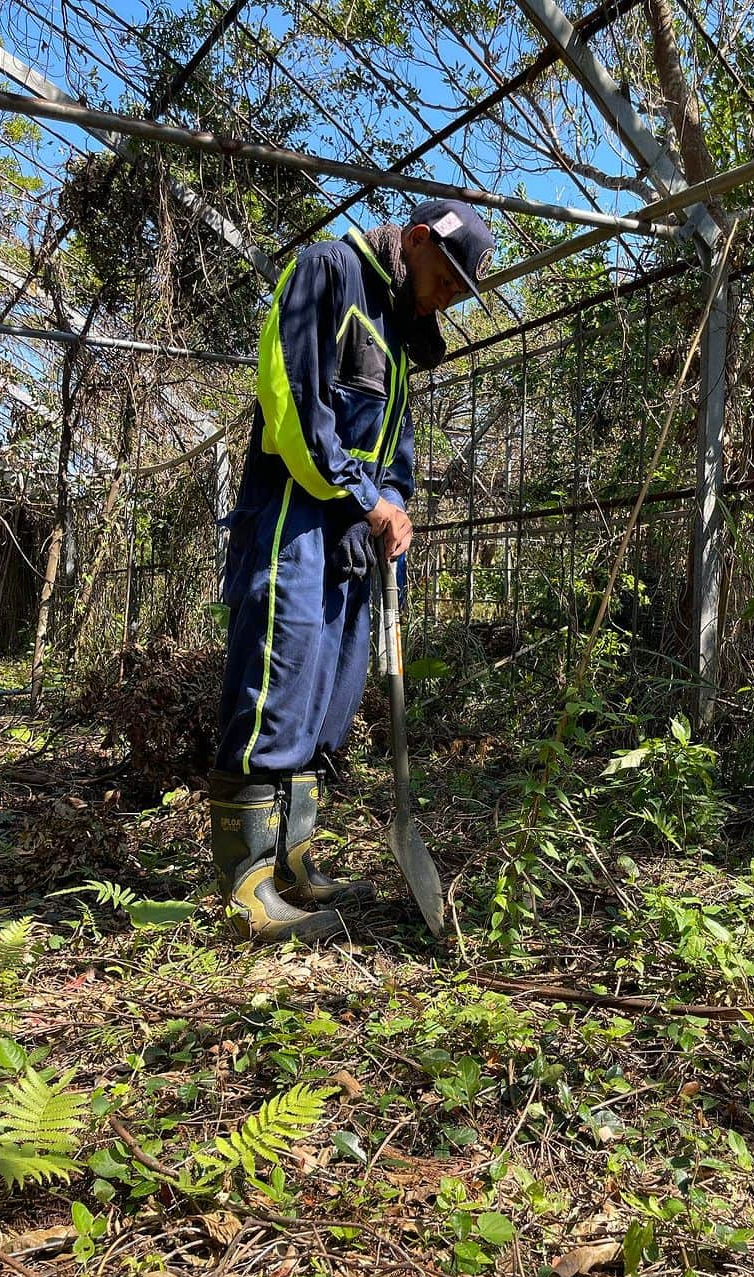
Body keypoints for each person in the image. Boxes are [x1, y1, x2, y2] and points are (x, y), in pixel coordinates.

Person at [209, 200, 496, 943]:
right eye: (444, 280)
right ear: (417, 239)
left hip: (354, 538)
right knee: (278, 682)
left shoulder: (400, 329)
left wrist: (395, 500)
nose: (444, 299)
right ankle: (246, 888)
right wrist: (367, 498)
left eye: (457, 295)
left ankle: (295, 861)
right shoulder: (325, 272)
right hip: (294, 519)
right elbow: (294, 407)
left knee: (325, 700)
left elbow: (394, 439)